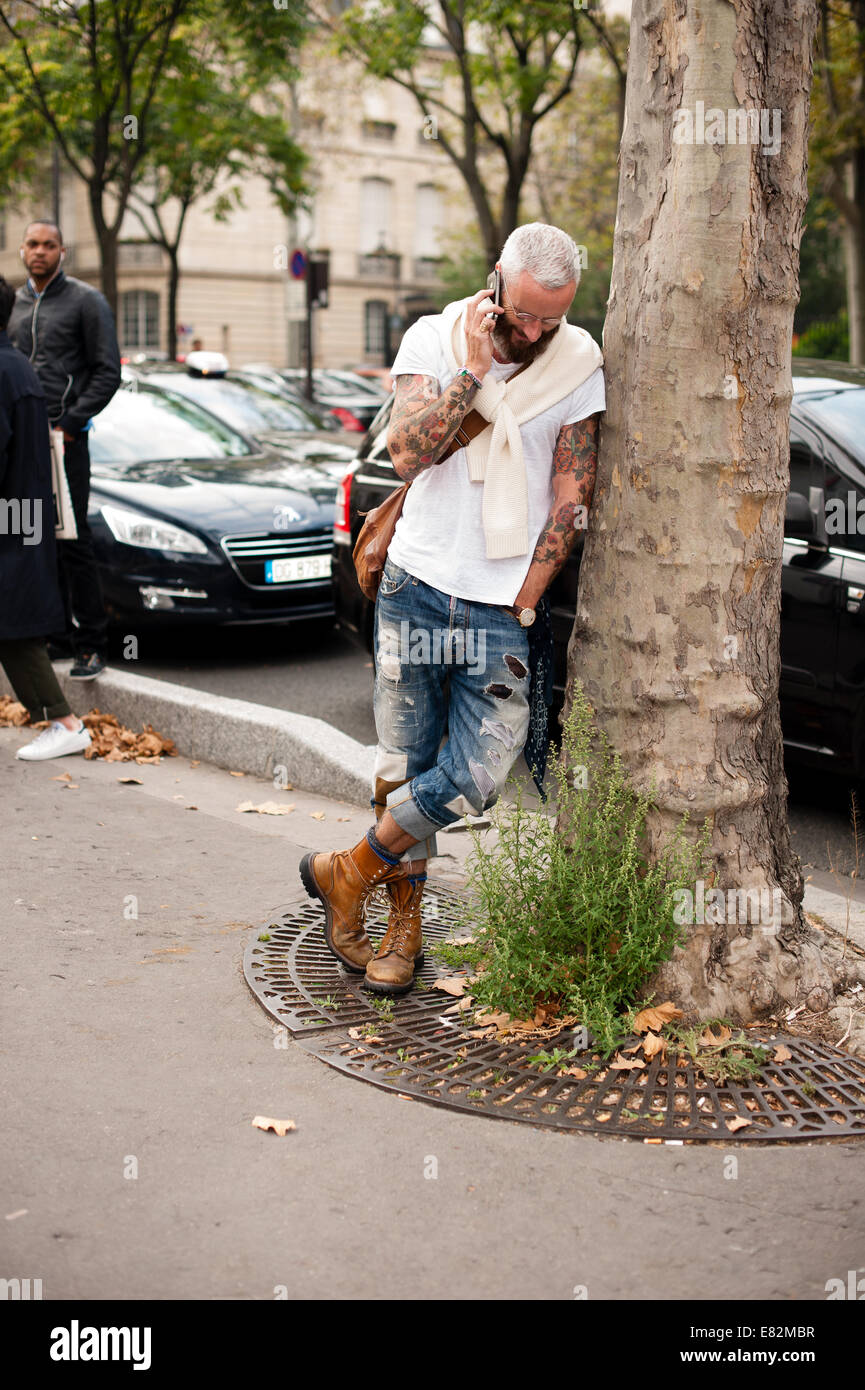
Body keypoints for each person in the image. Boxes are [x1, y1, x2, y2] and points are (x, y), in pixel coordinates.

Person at [301, 222, 606, 996]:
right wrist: (471, 372)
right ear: (495, 282)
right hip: (417, 585)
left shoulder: (577, 363)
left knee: (480, 769)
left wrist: (530, 596)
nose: (536, 332)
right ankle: (401, 930)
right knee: (403, 762)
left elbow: (571, 495)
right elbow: (406, 453)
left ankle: (349, 870)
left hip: (503, 603)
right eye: (524, 313)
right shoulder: (433, 340)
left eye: (553, 317)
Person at [9, 219, 121, 680]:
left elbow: (107, 370)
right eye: (33, 245)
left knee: (74, 543)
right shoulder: (14, 303)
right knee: (31, 538)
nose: (40, 252)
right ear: (22, 250)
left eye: (49, 245)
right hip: (22, 442)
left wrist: (73, 423)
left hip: (64, 441)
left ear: (62, 252)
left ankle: (91, 644)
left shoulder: (85, 300)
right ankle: (52, 634)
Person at [0, 275, 91, 761]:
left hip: (9, 517)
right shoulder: (16, 368)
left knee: (14, 625)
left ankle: (65, 722)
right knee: (12, 623)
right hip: (21, 513)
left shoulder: (3, 371)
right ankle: (61, 719)